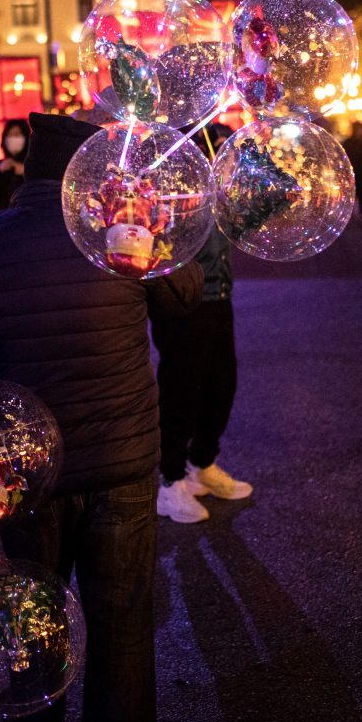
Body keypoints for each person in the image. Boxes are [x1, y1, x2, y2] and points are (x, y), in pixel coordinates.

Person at [0, 112, 202, 722]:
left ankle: (39, 721)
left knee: (36, 605)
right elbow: (186, 298)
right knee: (121, 622)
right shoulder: (119, 242)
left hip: (29, 475)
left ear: (28, 171)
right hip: (121, 465)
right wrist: (158, 228)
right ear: (86, 172)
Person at [153, 122, 253, 524]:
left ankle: (202, 462)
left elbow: (240, 229)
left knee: (221, 383)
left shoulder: (222, 176)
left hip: (219, 296)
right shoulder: (171, 172)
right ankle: (170, 479)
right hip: (183, 297)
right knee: (181, 388)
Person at [342, 119, 362, 216]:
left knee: (361, 190)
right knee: (354, 190)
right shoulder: (350, 142)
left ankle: (361, 210)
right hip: (354, 169)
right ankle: (353, 210)